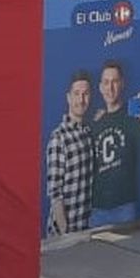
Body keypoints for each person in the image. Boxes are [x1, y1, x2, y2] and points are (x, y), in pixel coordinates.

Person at [89, 60, 140, 228]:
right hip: (97, 207)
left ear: (122, 84)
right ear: (100, 87)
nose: (110, 88)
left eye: (114, 82)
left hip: (124, 205)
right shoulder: (94, 120)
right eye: (106, 82)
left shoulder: (131, 113)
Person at [46, 70, 95, 236]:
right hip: (65, 234)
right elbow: (54, 194)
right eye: (76, 94)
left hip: (88, 229)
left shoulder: (90, 132)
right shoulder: (58, 138)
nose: (81, 100)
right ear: (68, 97)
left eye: (85, 94)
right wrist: (65, 231)